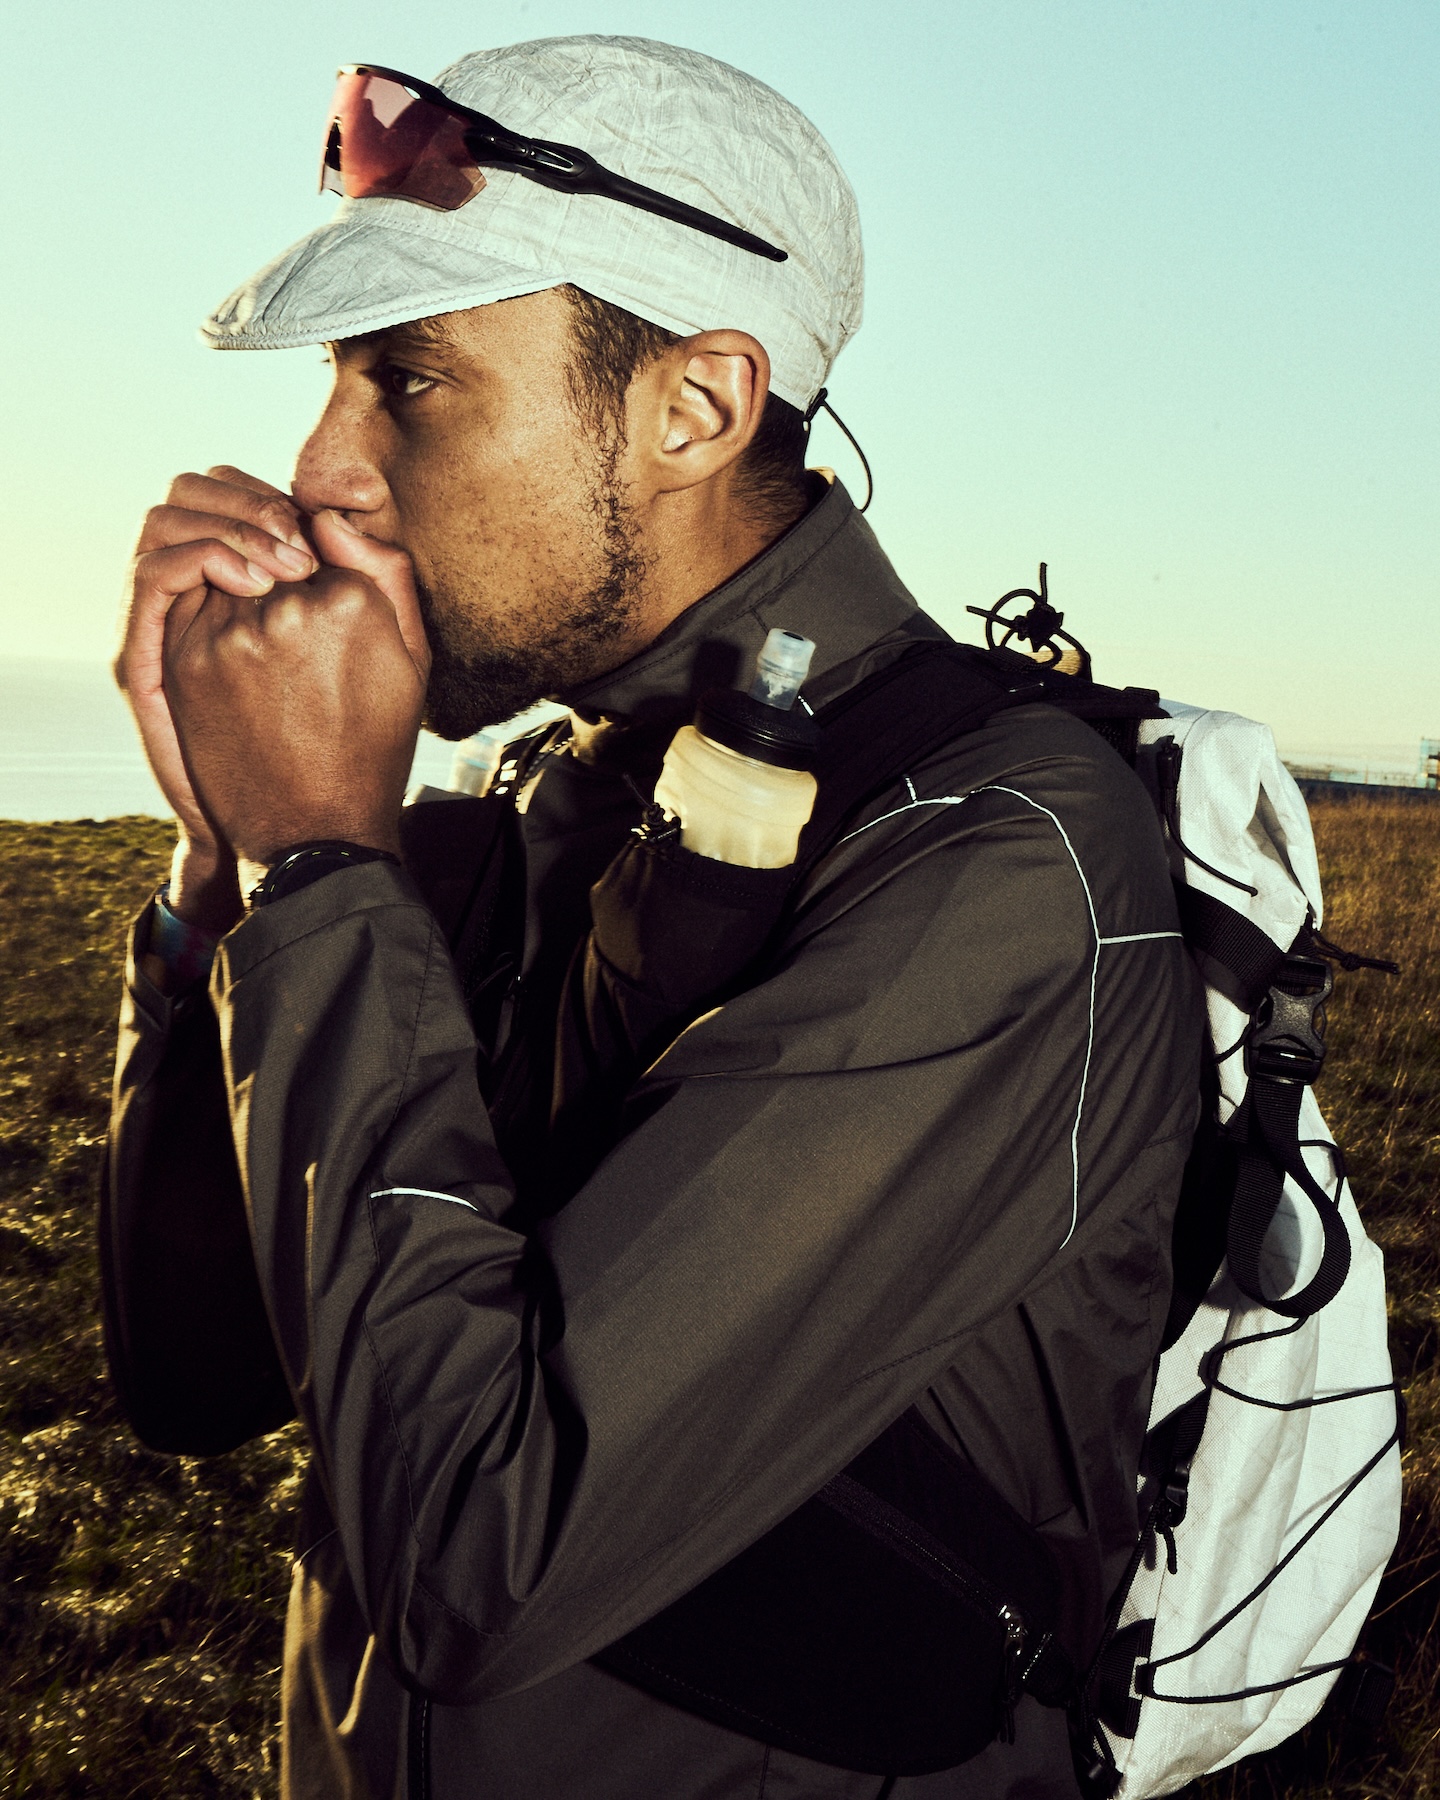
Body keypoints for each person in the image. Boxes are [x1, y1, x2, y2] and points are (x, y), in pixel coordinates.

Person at [104, 35, 1203, 1800]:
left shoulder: (1002, 867)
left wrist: (321, 864)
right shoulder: (545, 802)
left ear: (693, 405)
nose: (322, 469)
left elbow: (476, 1549)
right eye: (335, 383)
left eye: (409, 383)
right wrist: (232, 866)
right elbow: (196, 1367)